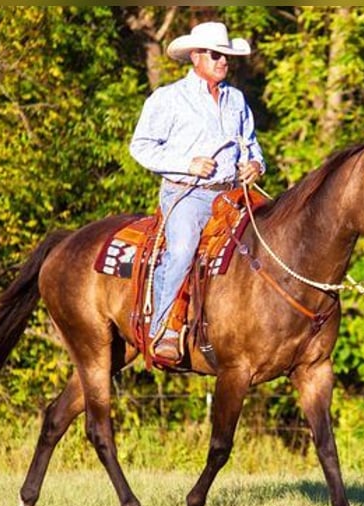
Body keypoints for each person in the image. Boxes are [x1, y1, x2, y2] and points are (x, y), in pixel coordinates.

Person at [129, 21, 266, 362]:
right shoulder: (168, 98)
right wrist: (186, 164)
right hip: (186, 193)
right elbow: (141, 147)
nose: (223, 61)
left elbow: (250, 144)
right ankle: (163, 328)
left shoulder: (236, 99)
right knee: (184, 249)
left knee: (274, 236)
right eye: (216, 55)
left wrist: (256, 165)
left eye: (226, 56)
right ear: (195, 56)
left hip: (231, 194)